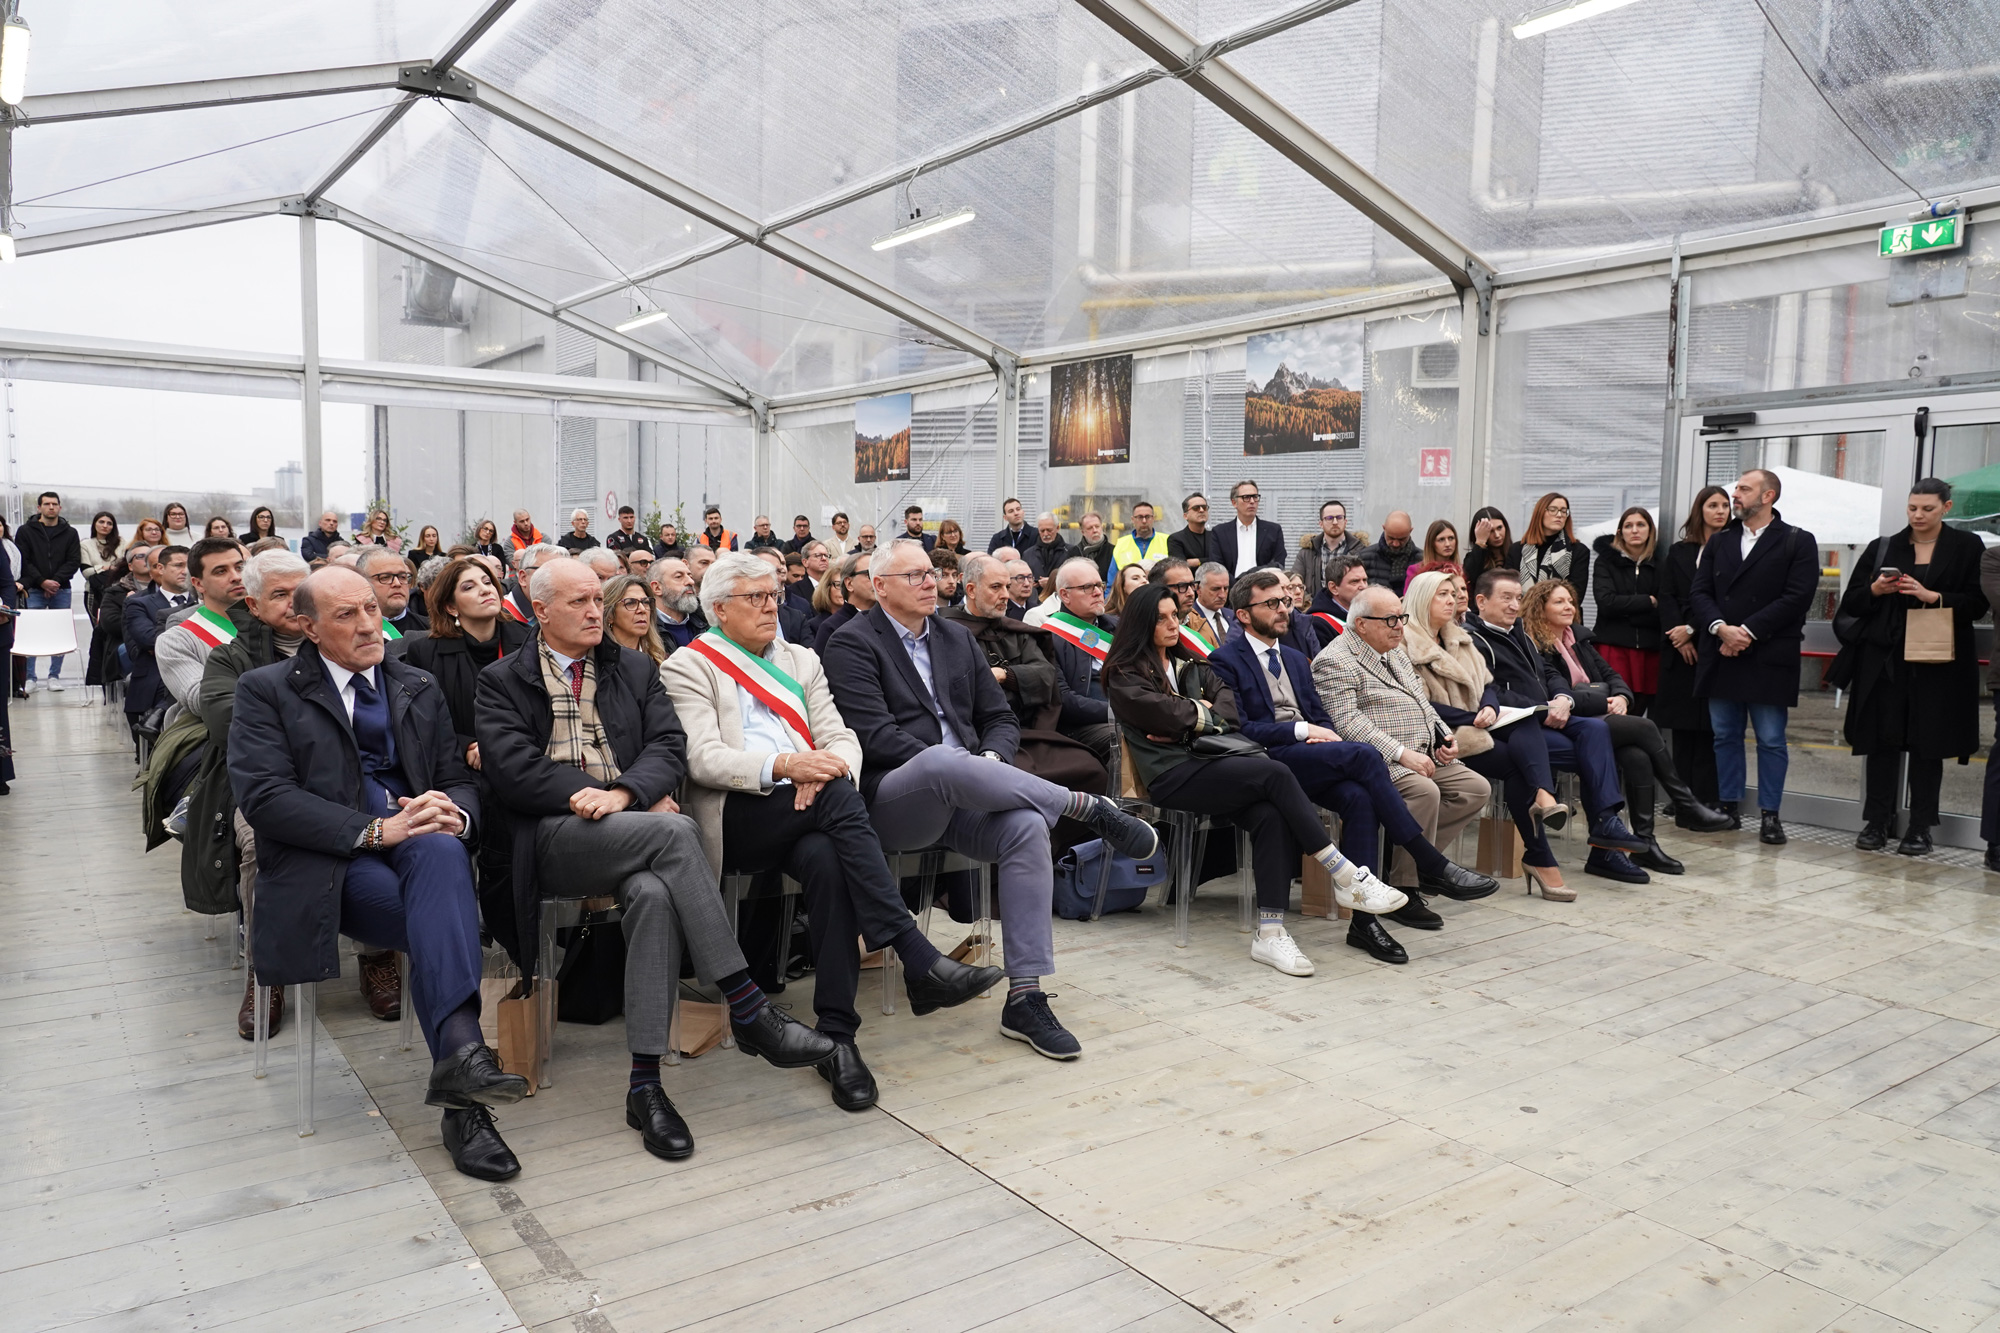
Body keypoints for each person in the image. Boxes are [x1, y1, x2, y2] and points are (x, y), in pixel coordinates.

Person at [476, 558, 836, 1160]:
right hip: (550, 838)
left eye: (598, 600)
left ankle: (645, 1085)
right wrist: (582, 794)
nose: (596, 611)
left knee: (653, 890)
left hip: (631, 825)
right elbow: (512, 770)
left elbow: (669, 747)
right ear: (540, 611)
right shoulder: (504, 679)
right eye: (578, 602)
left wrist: (624, 794)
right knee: (677, 834)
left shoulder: (637, 668)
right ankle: (747, 1006)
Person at [663, 553, 1003, 1110]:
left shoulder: (801, 660)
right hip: (743, 811)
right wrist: (785, 768)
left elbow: (842, 735)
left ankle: (838, 1037)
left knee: (830, 859)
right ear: (719, 608)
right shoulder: (689, 665)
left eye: (773, 595)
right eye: (755, 598)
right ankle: (913, 953)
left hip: (813, 804)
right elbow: (703, 760)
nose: (771, 606)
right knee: (840, 804)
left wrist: (828, 767)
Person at [232, 566, 527, 1180]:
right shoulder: (267, 690)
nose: (369, 624)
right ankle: (464, 1096)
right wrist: (373, 830)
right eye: (347, 615)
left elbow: (457, 777)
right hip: (331, 865)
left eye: (371, 608)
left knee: (443, 851)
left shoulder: (415, 682)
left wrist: (453, 815)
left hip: (419, 849)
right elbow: (266, 799)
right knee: (443, 916)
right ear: (309, 628)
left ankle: (460, 1072)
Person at [822, 539, 1156, 1060]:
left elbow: (998, 718)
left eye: (932, 573)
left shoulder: (955, 638)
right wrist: (964, 768)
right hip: (897, 799)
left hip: (973, 791)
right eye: (914, 576)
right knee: (938, 760)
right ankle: (1083, 806)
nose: (931, 582)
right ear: (880, 586)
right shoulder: (851, 642)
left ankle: (1025, 995)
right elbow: (875, 735)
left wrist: (991, 764)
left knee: (1026, 826)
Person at [1106, 583, 1408, 976]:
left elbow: (1229, 714)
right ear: (1140, 624)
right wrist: (1199, 715)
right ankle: (1345, 873)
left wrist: (1192, 720)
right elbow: (1161, 714)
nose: (1172, 624)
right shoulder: (1123, 673)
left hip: (1213, 763)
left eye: (1175, 616)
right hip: (1170, 776)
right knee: (1274, 772)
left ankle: (1270, 932)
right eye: (1161, 618)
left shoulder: (1191, 665)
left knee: (1270, 813)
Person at [1207, 571, 1498, 954]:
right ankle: (1428, 862)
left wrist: (1318, 731)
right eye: (1272, 604)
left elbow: (1325, 717)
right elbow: (1239, 727)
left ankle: (1364, 925)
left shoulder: (1295, 659)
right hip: (1266, 761)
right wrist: (1301, 731)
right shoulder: (1224, 660)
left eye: (1286, 602)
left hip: (1312, 756)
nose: (1283, 610)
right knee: (1364, 753)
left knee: (1360, 797)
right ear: (1243, 615)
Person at [1520, 578, 1730, 873]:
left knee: (1637, 757)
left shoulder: (1577, 638)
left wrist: (1620, 695)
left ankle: (1646, 845)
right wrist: (1602, 701)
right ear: (1540, 608)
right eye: (1559, 602)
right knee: (1645, 728)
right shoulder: (1536, 646)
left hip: (1596, 716)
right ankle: (1685, 802)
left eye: (1570, 600)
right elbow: (1557, 695)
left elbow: (1611, 675)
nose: (1569, 606)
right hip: (1568, 722)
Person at [184, 548, 310, 1036]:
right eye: (280, 594)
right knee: (263, 843)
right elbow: (228, 724)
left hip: (345, 779)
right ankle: (267, 972)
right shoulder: (230, 656)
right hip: (264, 785)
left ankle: (377, 957)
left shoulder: (346, 642)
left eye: (301, 592)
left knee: (386, 826)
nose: (294, 602)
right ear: (254, 606)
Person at [1313, 583, 1492, 924]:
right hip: (1380, 761)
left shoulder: (1392, 649)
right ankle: (1404, 889)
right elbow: (1346, 723)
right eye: (1391, 620)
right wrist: (1400, 753)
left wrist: (1443, 734)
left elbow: (1421, 702)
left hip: (1423, 752)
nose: (1400, 626)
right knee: (1426, 792)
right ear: (1361, 623)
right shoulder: (1334, 660)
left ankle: (1419, 867)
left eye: (1402, 617)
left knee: (1475, 788)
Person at [1466, 567, 1651, 884]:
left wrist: (1563, 697)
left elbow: (1548, 675)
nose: (1514, 605)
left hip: (1549, 716)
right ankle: (1605, 846)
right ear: (1481, 601)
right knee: (1599, 753)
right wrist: (1540, 708)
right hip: (1515, 726)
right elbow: (1487, 690)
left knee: (1596, 731)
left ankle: (1606, 825)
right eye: (1506, 598)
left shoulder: (1520, 630)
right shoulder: (1473, 639)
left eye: (1518, 598)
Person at [1401, 569, 1576, 899]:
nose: (1452, 600)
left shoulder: (1458, 637)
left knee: (1521, 738)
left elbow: (1488, 684)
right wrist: (1475, 715)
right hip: (1436, 735)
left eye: (1454, 594)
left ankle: (1542, 828)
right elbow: (1420, 704)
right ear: (1423, 597)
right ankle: (1542, 828)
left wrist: (1491, 707)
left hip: (1474, 726)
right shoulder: (1405, 642)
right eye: (1443, 594)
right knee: (1519, 756)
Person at [1835, 479, 1986, 857]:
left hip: (1938, 662)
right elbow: (1852, 602)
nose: (1918, 515)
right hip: (1885, 660)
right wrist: (1875, 591)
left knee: (1928, 745)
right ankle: (1877, 820)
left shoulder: (1966, 546)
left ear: (1947, 508)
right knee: (1881, 742)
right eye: (1913, 508)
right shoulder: (1884, 545)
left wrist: (1932, 596)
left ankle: (1920, 827)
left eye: (1928, 509)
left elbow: (1978, 604)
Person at [1690, 469, 1820, 844]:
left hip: (1768, 653)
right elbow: (1699, 593)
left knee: (1771, 739)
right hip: (1722, 651)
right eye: (1737, 489)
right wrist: (1720, 628)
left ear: (1768, 496)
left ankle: (1770, 815)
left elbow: (1797, 598)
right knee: (1725, 736)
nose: (1736, 496)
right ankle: (1727, 808)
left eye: (1744, 489)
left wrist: (1745, 632)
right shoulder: (1720, 541)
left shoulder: (1797, 540)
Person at [944, 553, 1108, 779]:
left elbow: (1045, 675)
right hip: (980, 734)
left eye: (1006, 586)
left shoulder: (1016, 631)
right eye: (996, 587)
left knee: (1090, 768)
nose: (1005, 595)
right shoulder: (947, 632)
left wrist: (1005, 675)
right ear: (971, 590)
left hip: (1029, 731)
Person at [404, 556, 531, 775]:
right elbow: (423, 722)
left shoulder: (530, 641)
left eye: (488, 582)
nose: (485, 590)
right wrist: (466, 746)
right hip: (460, 770)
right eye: (469, 587)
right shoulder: (425, 653)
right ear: (451, 607)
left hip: (525, 762)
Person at [1655, 486, 1730, 813]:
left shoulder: (1735, 548)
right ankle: (1681, 797)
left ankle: (1710, 796)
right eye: (1713, 505)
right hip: (1679, 648)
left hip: (1715, 643)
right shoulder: (1679, 551)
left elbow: (1724, 599)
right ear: (1700, 510)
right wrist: (1678, 635)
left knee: (1713, 729)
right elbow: (1667, 595)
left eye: (1725, 505)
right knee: (1683, 729)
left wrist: (1693, 631)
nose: (1720, 511)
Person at [154, 537, 248, 721]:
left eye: (240, 567)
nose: (236, 576)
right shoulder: (175, 641)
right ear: (198, 584)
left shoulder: (273, 621)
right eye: (221, 571)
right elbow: (203, 698)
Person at [1591, 506, 1663, 715]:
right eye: (1628, 526)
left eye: (1641, 525)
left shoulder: (1661, 564)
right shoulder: (1605, 562)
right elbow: (1606, 603)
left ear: (1650, 531)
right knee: (1614, 711)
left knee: (1639, 710)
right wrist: (1648, 601)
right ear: (1620, 532)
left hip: (1649, 649)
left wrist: (1627, 611)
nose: (1634, 530)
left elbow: (1665, 607)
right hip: (1614, 648)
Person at [17, 491, 81, 691]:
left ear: (60, 507)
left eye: (54, 504)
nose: (51, 507)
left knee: (59, 631)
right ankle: (30, 678)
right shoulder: (26, 531)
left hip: (61, 590)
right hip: (33, 590)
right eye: (46, 504)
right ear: (39, 508)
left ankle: (54, 676)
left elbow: (73, 561)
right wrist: (42, 581)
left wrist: (55, 582)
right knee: (31, 632)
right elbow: (24, 561)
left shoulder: (70, 532)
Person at [124, 545, 191, 730]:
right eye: (178, 565)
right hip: (155, 678)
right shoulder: (138, 603)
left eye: (188, 565)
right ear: (160, 568)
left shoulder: (202, 601)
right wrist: (190, 643)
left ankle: (160, 713)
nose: (185, 571)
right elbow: (148, 639)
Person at [1509, 493, 1589, 598]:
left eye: (1564, 511)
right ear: (1540, 513)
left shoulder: (1578, 551)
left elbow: (1576, 595)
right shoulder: (1516, 550)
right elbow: (1509, 590)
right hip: (1520, 613)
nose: (1559, 515)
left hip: (1560, 613)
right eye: (1553, 510)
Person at [1212, 480, 1284, 580]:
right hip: (1231, 589)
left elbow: (1278, 565)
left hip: (1264, 588)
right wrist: (1235, 587)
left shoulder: (1273, 530)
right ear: (1234, 502)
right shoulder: (1219, 532)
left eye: (1255, 497)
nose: (1252, 501)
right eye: (1246, 497)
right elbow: (1217, 567)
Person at [357, 545, 429, 640]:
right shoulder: (354, 632)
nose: (397, 583)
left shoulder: (431, 629)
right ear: (363, 582)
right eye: (385, 577)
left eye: (403, 577)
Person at [1293, 500, 1365, 593]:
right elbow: (1295, 583)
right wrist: (1309, 604)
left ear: (1345, 521)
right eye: (1329, 518)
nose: (1335, 522)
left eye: (1339, 517)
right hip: (1315, 605)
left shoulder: (1361, 551)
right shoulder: (1306, 553)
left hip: (1348, 605)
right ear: (1321, 523)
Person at [601, 571, 667, 665]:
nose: (642, 609)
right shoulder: (598, 662)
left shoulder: (660, 660)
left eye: (646, 602)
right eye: (630, 603)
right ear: (609, 615)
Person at [813, 550, 871, 655]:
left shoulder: (888, 620)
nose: (877, 579)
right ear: (849, 584)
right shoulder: (831, 627)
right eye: (869, 574)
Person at [645, 557, 704, 652]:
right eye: (678, 577)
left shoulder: (706, 618)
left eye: (690, 576)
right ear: (657, 588)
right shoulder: (644, 629)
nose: (690, 582)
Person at [1309, 555, 1369, 638]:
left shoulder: (1372, 614)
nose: (1363, 586)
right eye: (1355, 581)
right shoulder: (1318, 624)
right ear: (1333, 588)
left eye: (1365, 580)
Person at [1358, 511, 1419, 589]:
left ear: (1410, 531)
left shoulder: (1422, 560)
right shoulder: (1364, 557)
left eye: (1401, 539)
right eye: (1391, 538)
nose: (1395, 544)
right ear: (1384, 528)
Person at [1402, 520, 1462, 591]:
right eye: (1441, 539)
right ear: (1431, 543)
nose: (1447, 544)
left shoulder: (1462, 571)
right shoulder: (1415, 571)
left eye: (1451, 538)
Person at [1462, 506, 1512, 590]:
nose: (1497, 535)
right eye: (1490, 531)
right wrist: (1480, 542)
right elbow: (1471, 577)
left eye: (1499, 528)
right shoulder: (1474, 558)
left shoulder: (1516, 552)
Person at [1112, 501, 1170, 570]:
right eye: (1140, 517)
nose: (1144, 521)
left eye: (1148, 517)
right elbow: (1113, 577)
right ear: (1133, 520)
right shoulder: (1121, 544)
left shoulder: (1168, 541)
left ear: (1153, 518)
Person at [1189, 562, 1234, 649]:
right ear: (1198, 588)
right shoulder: (1189, 620)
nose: (1222, 595)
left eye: (1226, 588)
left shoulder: (1234, 616)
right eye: (1215, 589)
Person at [1024, 512, 1073, 582]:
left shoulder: (1071, 551)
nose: (1045, 534)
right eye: (1042, 531)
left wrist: (1052, 584)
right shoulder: (1028, 554)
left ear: (1057, 528)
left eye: (1049, 530)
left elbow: (1075, 579)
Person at [1166, 494, 1212, 565]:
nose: (1201, 510)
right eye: (1196, 508)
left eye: (1204, 507)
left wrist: (1196, 561)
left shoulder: (1216, 537)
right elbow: (1180, 566)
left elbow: (1223, 561)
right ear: (1185, 516)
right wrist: (1208, 560)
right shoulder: (1176, 539)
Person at [1074, 511, 1114, 581]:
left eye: (1097, 526)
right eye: (1090, 528)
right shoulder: (1074, 553)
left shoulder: (1114, 551)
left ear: (1102, 527)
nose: (1095, 530)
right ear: (1083, 532)